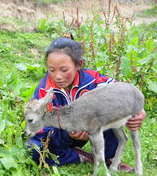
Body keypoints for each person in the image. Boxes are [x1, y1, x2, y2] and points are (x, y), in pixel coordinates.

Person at [28, 33, 146, 172]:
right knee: (33, 150)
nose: (57, 76)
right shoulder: (44, 89)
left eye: (64, 70)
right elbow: (41, 128)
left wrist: (139, 111)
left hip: (95, 127)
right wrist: (68, 134)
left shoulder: (94, 80)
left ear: (79, 65)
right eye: (51, 70)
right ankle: (81, 156)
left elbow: (122, 92)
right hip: (64, 135)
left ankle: (107, 157)